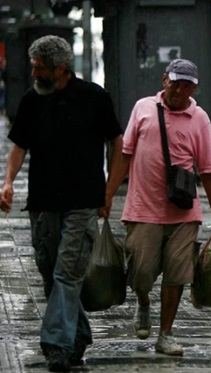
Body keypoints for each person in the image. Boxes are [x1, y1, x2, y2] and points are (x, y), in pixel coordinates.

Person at [0, 35, 123, 372]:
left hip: (83, 202)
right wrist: (8, 181)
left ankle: (56, 344)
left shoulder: (94, 98)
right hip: (42, 203)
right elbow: (18, 146)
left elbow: (118, 143)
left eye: (40, 68)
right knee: (50, 274)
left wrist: (110, 191)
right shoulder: (31, 100)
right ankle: (79, 333)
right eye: (33, 67)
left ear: (61, 68)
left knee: (66, 274)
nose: (34, 73)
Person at [104, 58, 211, 356]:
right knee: (141, 272)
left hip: (184, 212)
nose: (180, 90)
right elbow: (125, 154)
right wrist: (107, 195)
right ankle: (143, 301)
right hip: (142, 209)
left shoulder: (199, 118)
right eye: (175, 82)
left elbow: (208, 168)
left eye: (187, 85)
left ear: (194, 87)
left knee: (177, 274)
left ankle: (166, 334)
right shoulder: (143, 108)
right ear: (164, 80)